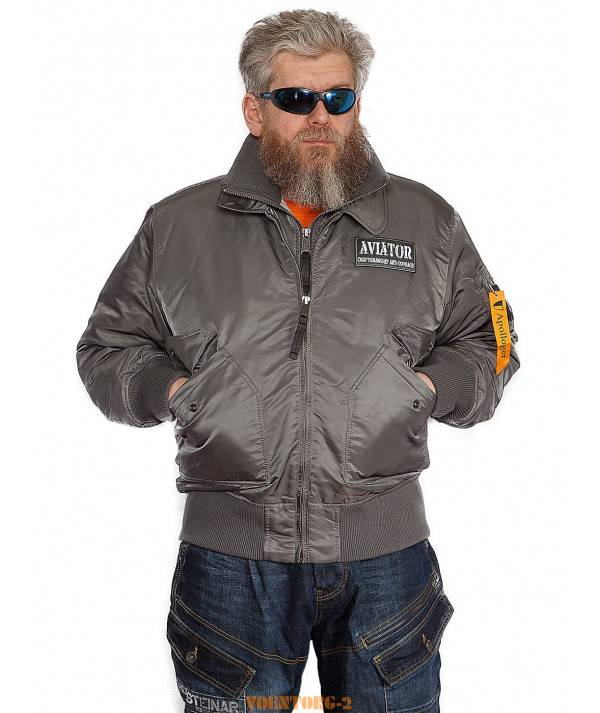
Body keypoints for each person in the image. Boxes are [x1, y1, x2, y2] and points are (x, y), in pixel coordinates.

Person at [75, 9, 520, 712]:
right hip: (230, 564)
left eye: (338, 98)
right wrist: (181, 391)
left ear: (357, 105)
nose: (320, 117)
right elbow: (106, 349)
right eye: (296, 98)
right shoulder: (177, 226)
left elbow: (492, 344)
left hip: (387, 562)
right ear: (254, 110)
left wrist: (424, 387)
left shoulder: (427, 222)